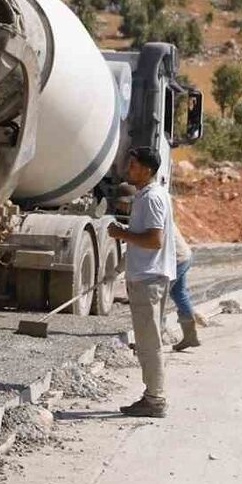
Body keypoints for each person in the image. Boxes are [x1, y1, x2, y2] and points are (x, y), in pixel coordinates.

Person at [106, 146, 176, 419]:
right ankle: (152, 396)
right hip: (149, 277)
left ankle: (154, 400)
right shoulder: (150, 195)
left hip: (149, 279)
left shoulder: (151, 199)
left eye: (134, 166)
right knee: (149, 340)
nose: (128, 170)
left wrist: (121, 234)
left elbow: (154, 240)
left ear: (147, 170)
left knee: (149, 342)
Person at [170, 224, 204, 352]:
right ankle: (190, 336)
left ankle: (153, 340)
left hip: (177, 259)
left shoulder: (153, 212)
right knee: (179, 293)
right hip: (183, 256)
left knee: (158, 297)